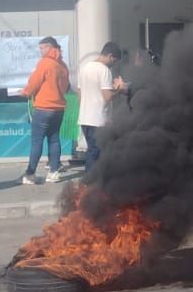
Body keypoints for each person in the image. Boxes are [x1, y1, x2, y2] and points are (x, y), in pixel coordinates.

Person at [20, 36, 70, 186]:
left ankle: (30, 174)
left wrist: (25, 92)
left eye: (42, 48)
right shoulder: (62, 65)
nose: (40, 51)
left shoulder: (45, 63)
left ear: (49, 47)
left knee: (36, 141)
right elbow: (66, 86)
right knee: (54, 139)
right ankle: (53, 172)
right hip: (59, 108)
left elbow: (34, 82)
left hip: (43, 108)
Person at [76, 41, 126, 179]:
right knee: (97, 153)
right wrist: (119, 90)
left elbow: (79, 94)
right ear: (110, 56)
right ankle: (91, 184)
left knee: (91, 151)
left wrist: (86, 108)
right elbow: (107, 96)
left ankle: (90, 183)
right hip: (98, 120)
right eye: (115, 61)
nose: (114, 64)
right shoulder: (104, 70)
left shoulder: (85, 68)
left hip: (85, 118)